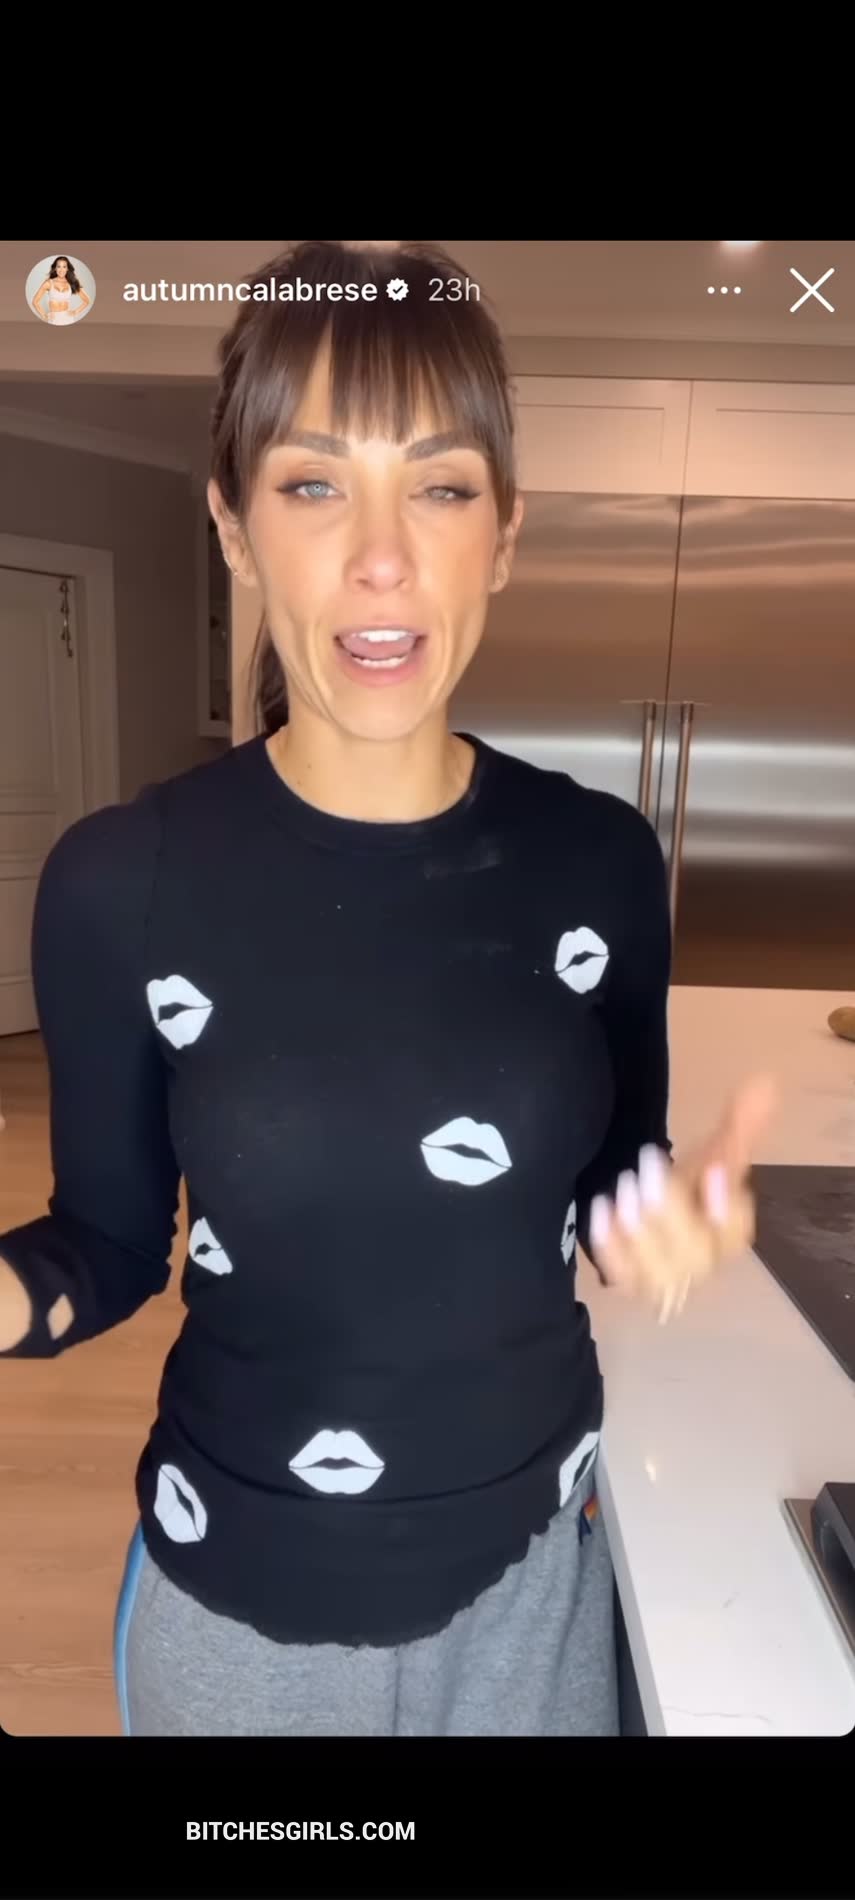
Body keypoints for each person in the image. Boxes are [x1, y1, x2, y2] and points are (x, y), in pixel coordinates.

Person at [0, 240, 777, 1737]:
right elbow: (106, 1245)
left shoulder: (600, 861)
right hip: (239, 1596)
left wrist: (657, 1228)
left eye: (439, 488)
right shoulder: (120, 881)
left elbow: (614, 1179)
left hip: (533, 1579)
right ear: (233, 527)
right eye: (311, 484)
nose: (380, 557)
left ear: (503, 535)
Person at [31, 255, 90, 324]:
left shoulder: (72, 282)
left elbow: (87, 300)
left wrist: (75, 312)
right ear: (55, 268)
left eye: (64, 267)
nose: (61, 270)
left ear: (67, 269)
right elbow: (35, 302)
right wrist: (44, 315)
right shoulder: (49, 283)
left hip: (68, 318)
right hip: (54, 319)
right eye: (59, 266)